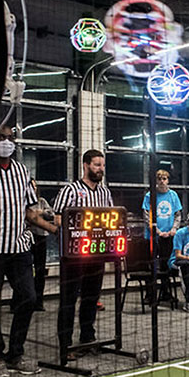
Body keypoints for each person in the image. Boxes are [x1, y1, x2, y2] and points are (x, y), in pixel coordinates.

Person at [0, 125, 55, 376]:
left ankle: (15, 354)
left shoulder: (21, 171)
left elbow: (31, 211)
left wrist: (55, 227)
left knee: (29, 298)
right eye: (2, 137)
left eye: (11, 138)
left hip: (19, 247)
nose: (7, 142)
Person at [51, 149, 114, 357]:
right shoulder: (70, 190)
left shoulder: (105, 192)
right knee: (68, 300)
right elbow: (58, 219)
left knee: (91, 298)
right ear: (85, 165)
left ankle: (87, 338)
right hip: (74, 257)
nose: (101, 169)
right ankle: (66, 345)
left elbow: (111, 218)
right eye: (97, 165)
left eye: (103, 165)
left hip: (97, 254)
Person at [142, 169, 182, 302]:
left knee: (166, 266)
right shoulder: (150, 196)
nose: (162, 181)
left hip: (169, 236)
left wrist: (173, 229)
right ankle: (150, 294)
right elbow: (147, 215)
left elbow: (178, 214)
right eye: (159, 179)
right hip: (153, 237)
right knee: (151, 265)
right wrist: (157, 231)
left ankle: (165, 292)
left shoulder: (173, 195)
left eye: (164, 179)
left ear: (168, 180)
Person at [28, 180, 54, 312]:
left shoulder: (42, 201)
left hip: (41, 237)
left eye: (35, 186)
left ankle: (39, 301)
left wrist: (38, 212)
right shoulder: (25, 201)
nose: (33, 188)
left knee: (40, 270)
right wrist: (39, 213)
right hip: (29, 237)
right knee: (26, 270)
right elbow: (27, 216)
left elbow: (50, 213)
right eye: (31, 186)